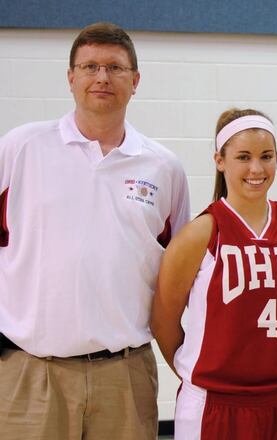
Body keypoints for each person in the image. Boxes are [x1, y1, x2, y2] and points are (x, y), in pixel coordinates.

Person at [0, 22, 190, 439]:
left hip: (124, 375)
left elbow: (178, 276)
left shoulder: (164, 167)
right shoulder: (20, 148)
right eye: (89, 67)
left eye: (115, 68)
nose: (102, 77)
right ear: (70, 78)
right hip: (32, 374)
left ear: (135, 81)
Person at [151, 109, 277, 439]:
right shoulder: (200, 234)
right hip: (214, 403)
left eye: (266, 156)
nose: (256, 168)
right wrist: (205, 372)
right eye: (243, 157)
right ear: (220, 160)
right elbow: (163, 322)